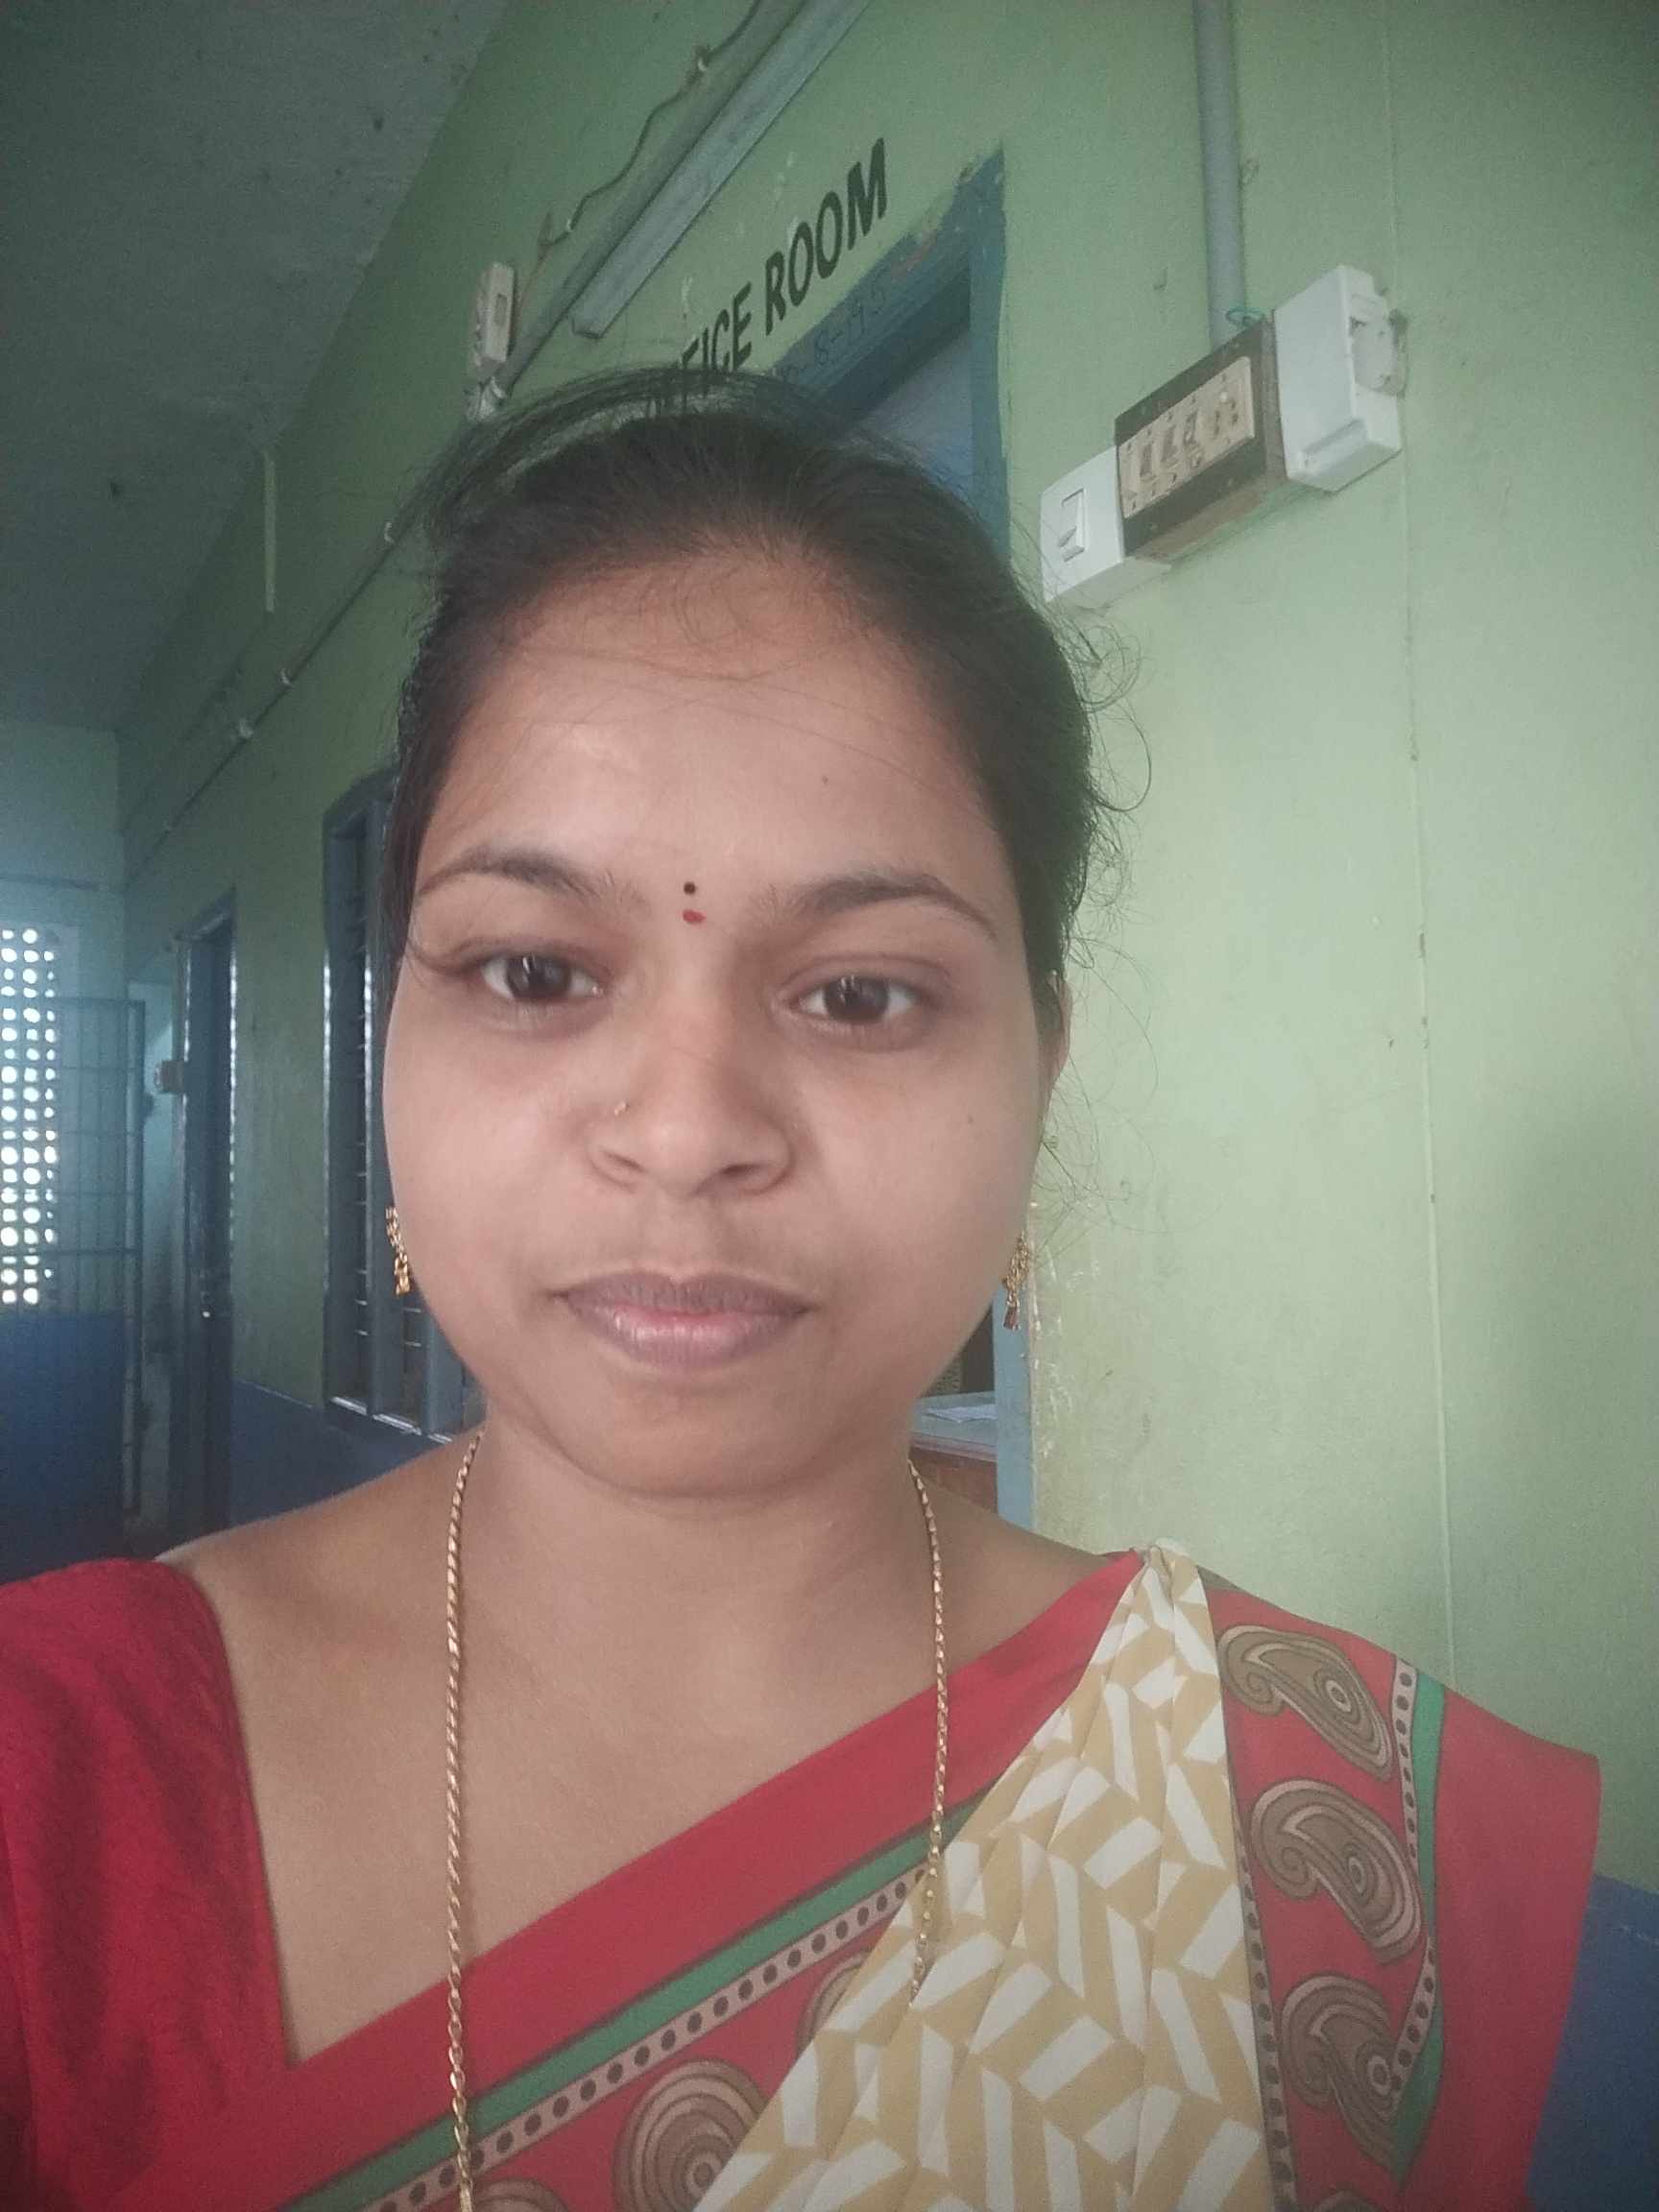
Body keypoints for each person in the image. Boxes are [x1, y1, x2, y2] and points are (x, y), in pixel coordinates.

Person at [0, 369, 1596, 2212]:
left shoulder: (1305, 1825)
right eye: (533, 972)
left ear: (1042, 1062)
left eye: (858, 994)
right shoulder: (55, 1786)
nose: (687, 1134)